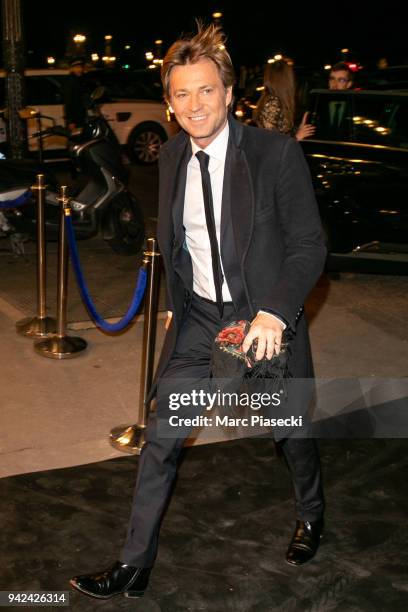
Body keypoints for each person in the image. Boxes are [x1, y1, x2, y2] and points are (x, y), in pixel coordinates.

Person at [70, 24, 327, 600]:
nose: (194, 105)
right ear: (169, 100)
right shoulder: (170, 156)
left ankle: (311, 513)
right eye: (182, 94)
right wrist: (172, 309)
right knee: (162, 433)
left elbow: (309, 244)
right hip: (201, 320)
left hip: (263, 319)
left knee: (288, 429)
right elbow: (178, 247)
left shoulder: (274, 154)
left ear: (230, 93)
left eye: (205, 90)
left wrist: (275, 313)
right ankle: (135, 565)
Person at [254, 60, 315, 140]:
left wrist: (297, 130)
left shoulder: (274, 101)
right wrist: (297, 136)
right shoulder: (273, 103)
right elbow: (271, 141)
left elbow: (280, 133)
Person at [62, 58, 89, 132]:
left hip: (81, 117)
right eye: (77, 67)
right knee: (75, 140)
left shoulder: (80, 80)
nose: (80, 69)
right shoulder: (70, 82)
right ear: (71, 69)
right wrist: (71, 121)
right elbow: (68, 102)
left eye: (81, 67)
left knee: (81, 141)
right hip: (75, 119)